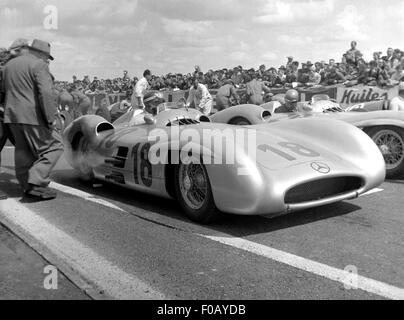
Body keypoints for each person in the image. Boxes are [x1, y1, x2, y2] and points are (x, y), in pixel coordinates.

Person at [3, 39, 64, 200]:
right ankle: (36, 182)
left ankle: (26, 185)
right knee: (55, 146)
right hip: (32, 116)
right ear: (40, 54)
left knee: (24, 150)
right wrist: (50, 118)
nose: (47, 61)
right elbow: (46, 93)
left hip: (11, 116)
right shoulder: (39, 65)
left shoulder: (9, 65)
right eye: (47, 57)